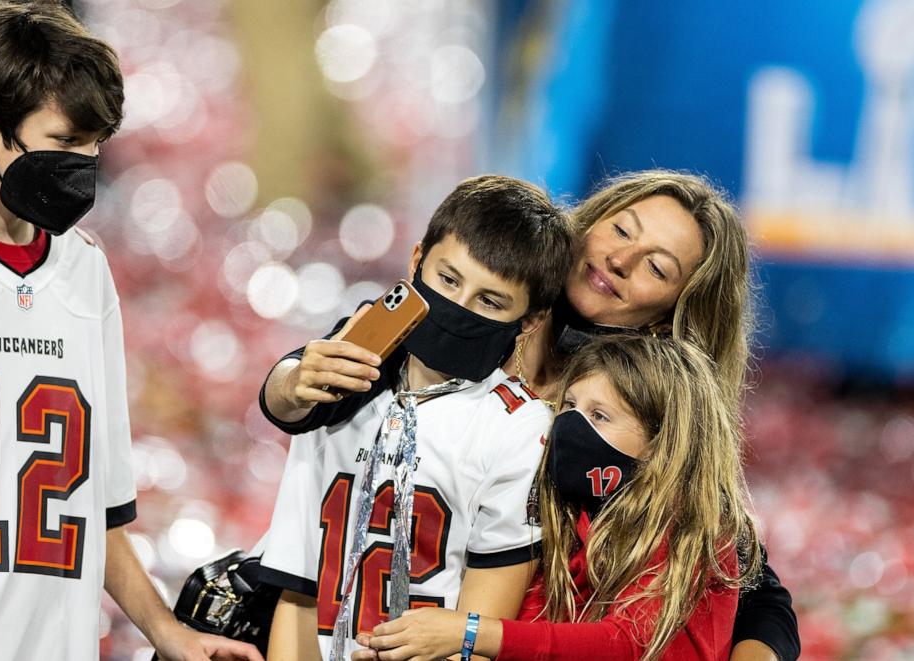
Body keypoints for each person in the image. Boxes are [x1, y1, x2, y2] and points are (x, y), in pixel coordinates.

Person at [263, 170, 800, 661]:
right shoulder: (452, 319)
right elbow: (308, 391)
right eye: (620, 230)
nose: (621, 259)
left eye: (656, 267)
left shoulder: (642, 425)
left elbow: (747, 582)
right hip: (333, 610)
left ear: (671, 314)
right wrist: (290, 380)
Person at [0, 3, 262, 660]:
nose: (83, 163)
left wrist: (168, 631)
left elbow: (93, 506)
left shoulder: (85, 272)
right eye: (63, 141)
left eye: (94, 143)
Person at [257, 175, 573, 660]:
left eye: (489, 300)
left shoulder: (519, 427)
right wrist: (289, 379)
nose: (458, 306)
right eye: (447, 279)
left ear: (529, 321)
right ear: (416, 260)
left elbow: (480, 630)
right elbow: (299, 589)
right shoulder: (345, 373)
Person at [353, 334, 762, 660]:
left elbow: (626, 644)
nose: (570, 424)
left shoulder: (695, 530)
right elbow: (532, 638)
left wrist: (469, 632)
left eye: (599, 415)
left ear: (664, 441)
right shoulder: (567, 518)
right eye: (568, 405)